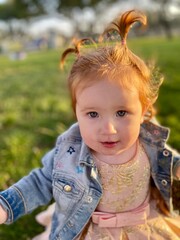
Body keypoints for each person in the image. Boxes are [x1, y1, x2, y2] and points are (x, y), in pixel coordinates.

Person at [0, 9, 180, 240]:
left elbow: (172, 163)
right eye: (93, 114)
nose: (109, 129)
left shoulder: (149, 142)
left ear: (143, 112)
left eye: (122, 112)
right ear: (77, 112)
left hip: (144, 228)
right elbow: (41, 182)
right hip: (88, 230)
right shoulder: (69, 151)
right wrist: (6, 206)